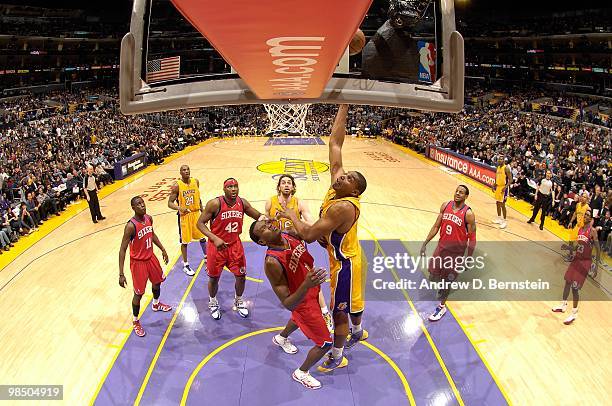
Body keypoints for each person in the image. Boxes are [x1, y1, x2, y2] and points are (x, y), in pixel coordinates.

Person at [279, 105, 367, 373]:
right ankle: (358, 330)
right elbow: (335, 143)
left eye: (349, 179)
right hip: (338, 255)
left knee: (338, 310)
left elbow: (307, 233)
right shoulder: (336, 188)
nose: (343, 176)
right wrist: (344, 105)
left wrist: (291, 214)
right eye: (345, 175)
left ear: (355, 190)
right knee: (349, 305)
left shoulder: (344, 206)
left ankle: (336, 355)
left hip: (346, 264)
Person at [250, 219, 332, 389]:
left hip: (311, 288)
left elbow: (309, 233)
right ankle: (301, 373)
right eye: (264, 228)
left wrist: (295, 217)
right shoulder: (272, 262)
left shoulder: (288, 235)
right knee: (325, 343)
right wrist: (306, 284)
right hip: (301, 301)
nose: (269, 225)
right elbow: (288, 303)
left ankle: (281, 338)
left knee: (296, 319)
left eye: (267, 222)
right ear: (262, 242)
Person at [265, 174, 333, 332]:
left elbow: (312, 223)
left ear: (293, 187)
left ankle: (324, 312)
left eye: (289, 183)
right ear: (279, 187)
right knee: (293, 283)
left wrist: (294, 218)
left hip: (297, 247)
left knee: (312, 279)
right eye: (283, 183)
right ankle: (298, 310)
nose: (287, 185)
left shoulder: (299, 203)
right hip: (280, 249)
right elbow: (266, 220)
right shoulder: (271, 202)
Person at [196, 178, 266, 320]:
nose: (233, 189)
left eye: (235, 186)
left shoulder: (242, 202)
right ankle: (213, 301)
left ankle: (238, 300)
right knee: (214, 279)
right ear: (224, 189)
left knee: (241, 277)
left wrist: (269, 218)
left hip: (235, 245)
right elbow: (200, 223)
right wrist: (214, 238)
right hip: (216, 247)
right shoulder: (215, 204)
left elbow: (258, 216)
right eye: (230, 187)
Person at [420, 185, 476, 321]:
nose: (457, 193)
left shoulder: (468, 214)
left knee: (446, 282)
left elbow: (472, 238)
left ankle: (441, 307)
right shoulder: (445, 206)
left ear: (466, 196)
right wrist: (425, 243)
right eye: (456, 191)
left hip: (455, 254)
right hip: (441, 248)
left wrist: (468, 258)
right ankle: (443, 288)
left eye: (461, 192)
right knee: (433, 274)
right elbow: (436, 226)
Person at [118, 196, 172, 337]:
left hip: (151, 258)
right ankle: (135, 321)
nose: (142, 205)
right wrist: (121, 273)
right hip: (138, 263)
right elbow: (122, 249)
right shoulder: (131, 226)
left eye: (143, 203)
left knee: (157, 282)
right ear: (133, 208)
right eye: (138, 204)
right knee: (139, 293)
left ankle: (156, 303)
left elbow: (152, 234)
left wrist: (162, 249)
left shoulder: (149, 218)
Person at [552, 209, 600, 325]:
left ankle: (574, 313)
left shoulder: (592, 231)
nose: (586, 216)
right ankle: (563, 305)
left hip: (585, 262)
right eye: (585, 215)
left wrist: (596, 266)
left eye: (588, 215)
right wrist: (568, 248)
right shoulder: (579, 229)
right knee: (567, 281)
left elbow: (598, 249)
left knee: (575, 287)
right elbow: (578, 247)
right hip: (577, 259)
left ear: (591, 219)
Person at [168, 165, 206, 276]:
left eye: (188, 169)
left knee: (202, 237)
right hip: (185, 216)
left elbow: (198, 198)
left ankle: (207, 256)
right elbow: (169, 203)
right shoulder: (177, 186)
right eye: (184, 170)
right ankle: (186, 265)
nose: (186, 171)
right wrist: (179, 208)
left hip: (196, 213)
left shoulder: (196, 181)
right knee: (185, 241)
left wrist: (203, 211)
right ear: (180, 173)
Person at [492, 155, 512, 229]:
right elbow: (497, 177)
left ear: (504, 160)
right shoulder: (498, 167)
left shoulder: (506, 168)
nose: (499, 160)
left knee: (502, 204)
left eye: (501, 159)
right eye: (498, 159)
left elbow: (511, 179)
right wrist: (494, 184)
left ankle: (504, 221)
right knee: (497, 202)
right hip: (498, 187)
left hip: (504, 188)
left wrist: (505, 187)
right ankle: (499, 218)